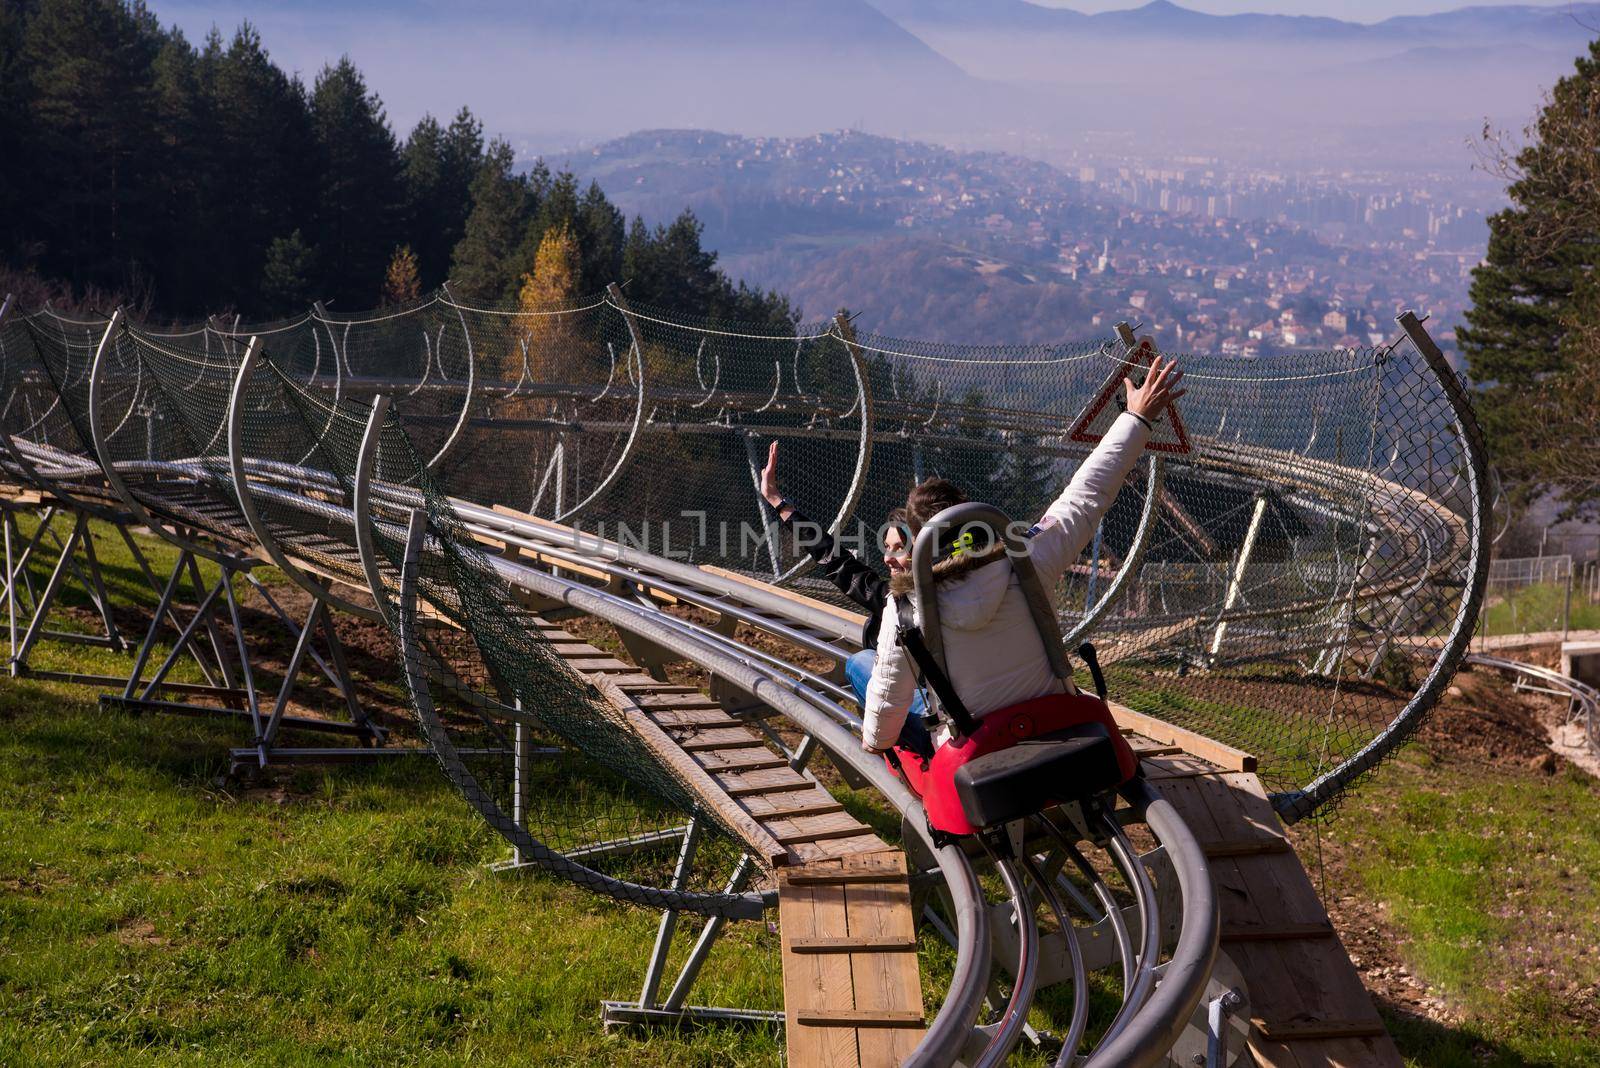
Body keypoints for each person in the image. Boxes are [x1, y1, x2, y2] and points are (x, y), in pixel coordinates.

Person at [862, 356, 1185, 755]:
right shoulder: (1027, 558)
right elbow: (1085, 497)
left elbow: (887, 703)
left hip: (976, 744)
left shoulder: (906, 608)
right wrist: (1134, 418)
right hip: (1053, 716)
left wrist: (875, 742)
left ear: (917, 539)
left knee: (865, 667)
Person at [756, 441, 934, 757]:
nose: (888, 558)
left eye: (898, 549)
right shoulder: (962, 588)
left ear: (921, 553)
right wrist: (777, 501)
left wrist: (776, 501)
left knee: (860, 663)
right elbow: (839, 562)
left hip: (935, 722)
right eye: (887, 548)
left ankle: (904, 751)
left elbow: (837, 562)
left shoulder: (904, 605)